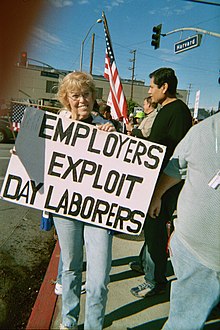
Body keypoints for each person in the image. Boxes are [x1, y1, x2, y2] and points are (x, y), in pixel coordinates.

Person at [53, 71, 116, 330]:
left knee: (99, 276)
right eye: (75, 95)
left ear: (93, 97)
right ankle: (68, 320)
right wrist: (24, 153)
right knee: (70, 266)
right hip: (66, 207)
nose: (81, 100)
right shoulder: (56, 124)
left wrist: (115, 139)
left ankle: (94, 325)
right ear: (66, 98)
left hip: (98, 211)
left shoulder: (107, 127)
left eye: (86, 94)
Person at [148, 112, 220, 329]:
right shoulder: (202, 131)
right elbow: (176, 169)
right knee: (184, 323)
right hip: (197, 253)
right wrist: (156, 196)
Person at [130, 67, 192, 298]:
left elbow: (173, 154)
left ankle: (155, 281)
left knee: (155, 227)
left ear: (164, 87)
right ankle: (145, 263)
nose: (149, 90)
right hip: (155, 180)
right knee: (150, 226)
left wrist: (159, 190)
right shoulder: (165, 110)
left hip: (164, 183)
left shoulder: (178, 112)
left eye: (152, 86)